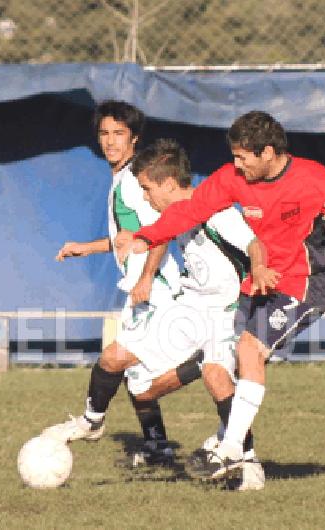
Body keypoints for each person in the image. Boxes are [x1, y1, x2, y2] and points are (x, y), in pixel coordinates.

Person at [120, 110, 325, 480]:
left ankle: (229, 450)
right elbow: (189, 211)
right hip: (257, 283)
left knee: (249, 350)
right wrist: (146, 237)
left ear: (268, 153)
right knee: (216, 369)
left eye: (243, 157)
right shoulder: (233, 178)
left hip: (303, 285)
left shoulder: (315, 179)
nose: (236, 165)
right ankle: (242, 458)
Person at [114, 137, 273, 490]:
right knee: (139, 380)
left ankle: (247, 462)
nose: (144, 197)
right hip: (197, 310)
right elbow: (157, 238)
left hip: (233, 312)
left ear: (168, 184)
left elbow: (253, 244)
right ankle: (225, 446)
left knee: (217, 376)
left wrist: (258, 272)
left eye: (146, 189)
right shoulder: (177, 216)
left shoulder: (216, 211)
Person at [49, 100, 196, 466]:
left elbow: (162, 231)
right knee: (136, 375)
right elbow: (130, 236)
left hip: (157, 288)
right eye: (104, 133)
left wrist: (146, 277)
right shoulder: (121, 177)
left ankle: (92, 421)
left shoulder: (134, 180)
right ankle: (158, 447)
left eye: (119, 134)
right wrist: (88, 247)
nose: (110, 141)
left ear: (135, 139)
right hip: (142, 288)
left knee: (113, 361)